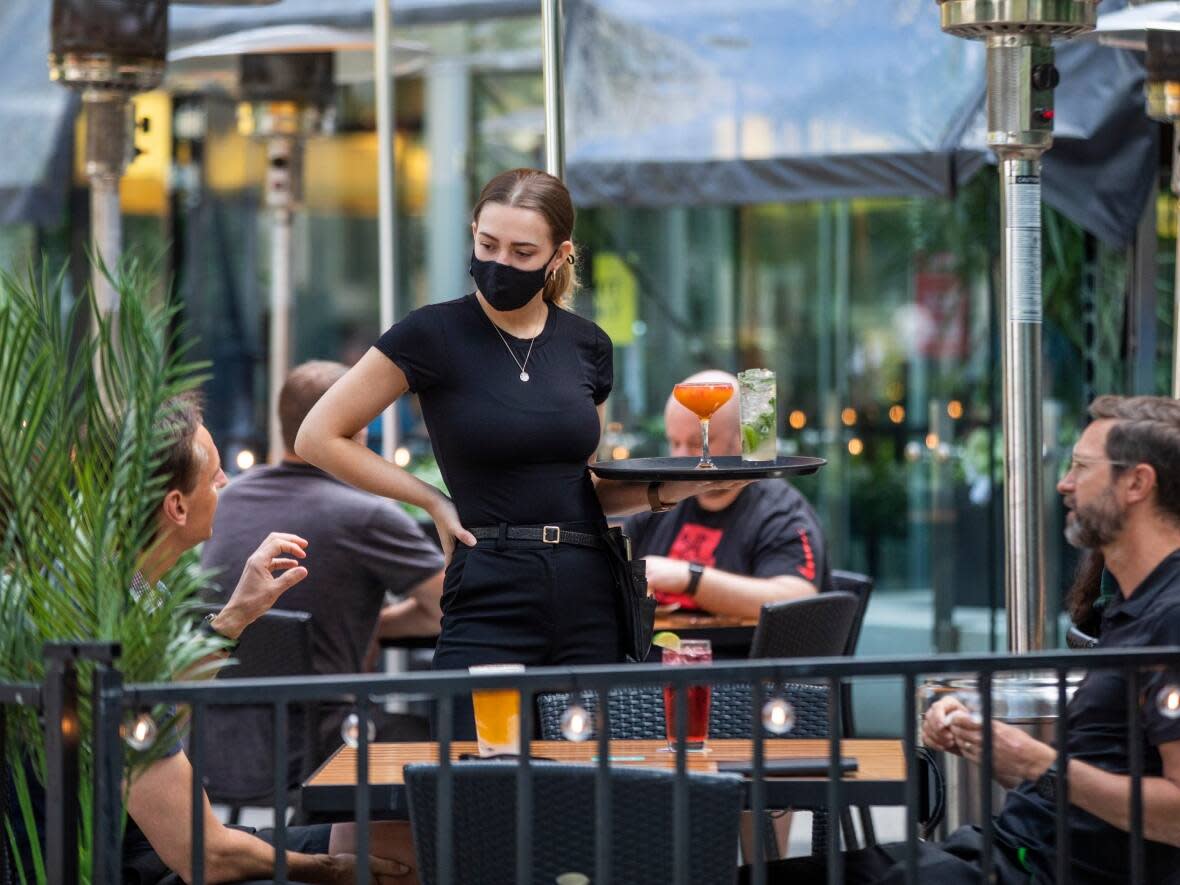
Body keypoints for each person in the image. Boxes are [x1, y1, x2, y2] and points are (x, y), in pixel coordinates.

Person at [295, 168, 740, 737]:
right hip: (489, 586)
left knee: (592, 789)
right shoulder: (431, 335)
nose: (499, 263)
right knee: (480, 786)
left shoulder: (587, 345)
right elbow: (317, 435)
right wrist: (431, 500)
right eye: (487, 244)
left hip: (588, 589)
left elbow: (584, 488)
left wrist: (680, 485)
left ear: (559, 256)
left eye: (522, 251)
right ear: (473, 233)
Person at [742, 395, 1180, 885]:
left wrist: (1042, 764)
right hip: (1000, 850)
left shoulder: (1170, 616)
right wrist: (989, 746)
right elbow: (1078, 783)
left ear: (1138, 483)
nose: (1065, 483)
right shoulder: (1129, 605)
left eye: (1080, 467)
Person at [124, 395, 414, 885]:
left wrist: (238, 613)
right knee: (393, 862)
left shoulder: (141, 591)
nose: (225, 484)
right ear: (176, 506)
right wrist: (328, 869)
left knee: (405, 840)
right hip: (147, 867)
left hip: (190, 838)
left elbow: (168, 702)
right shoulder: (111, 619)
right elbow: (206, 857)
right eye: (214, 474)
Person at [200, 360, 445, 762]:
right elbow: (449, 611)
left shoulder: (226, 502)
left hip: (220, 741)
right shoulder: (366, 514)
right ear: (357, 426)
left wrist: (371, 626)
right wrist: (379, 626)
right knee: (445, 746)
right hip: (323, 741)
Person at [624, 370, 831, 619]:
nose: (680, 458)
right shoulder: (658, 505)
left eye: (697, 443)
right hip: (657, 654)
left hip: (739, 655)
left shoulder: (780, 512)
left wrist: (690, 577)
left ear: (742, 440)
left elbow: (798, 598)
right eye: (674, 442)